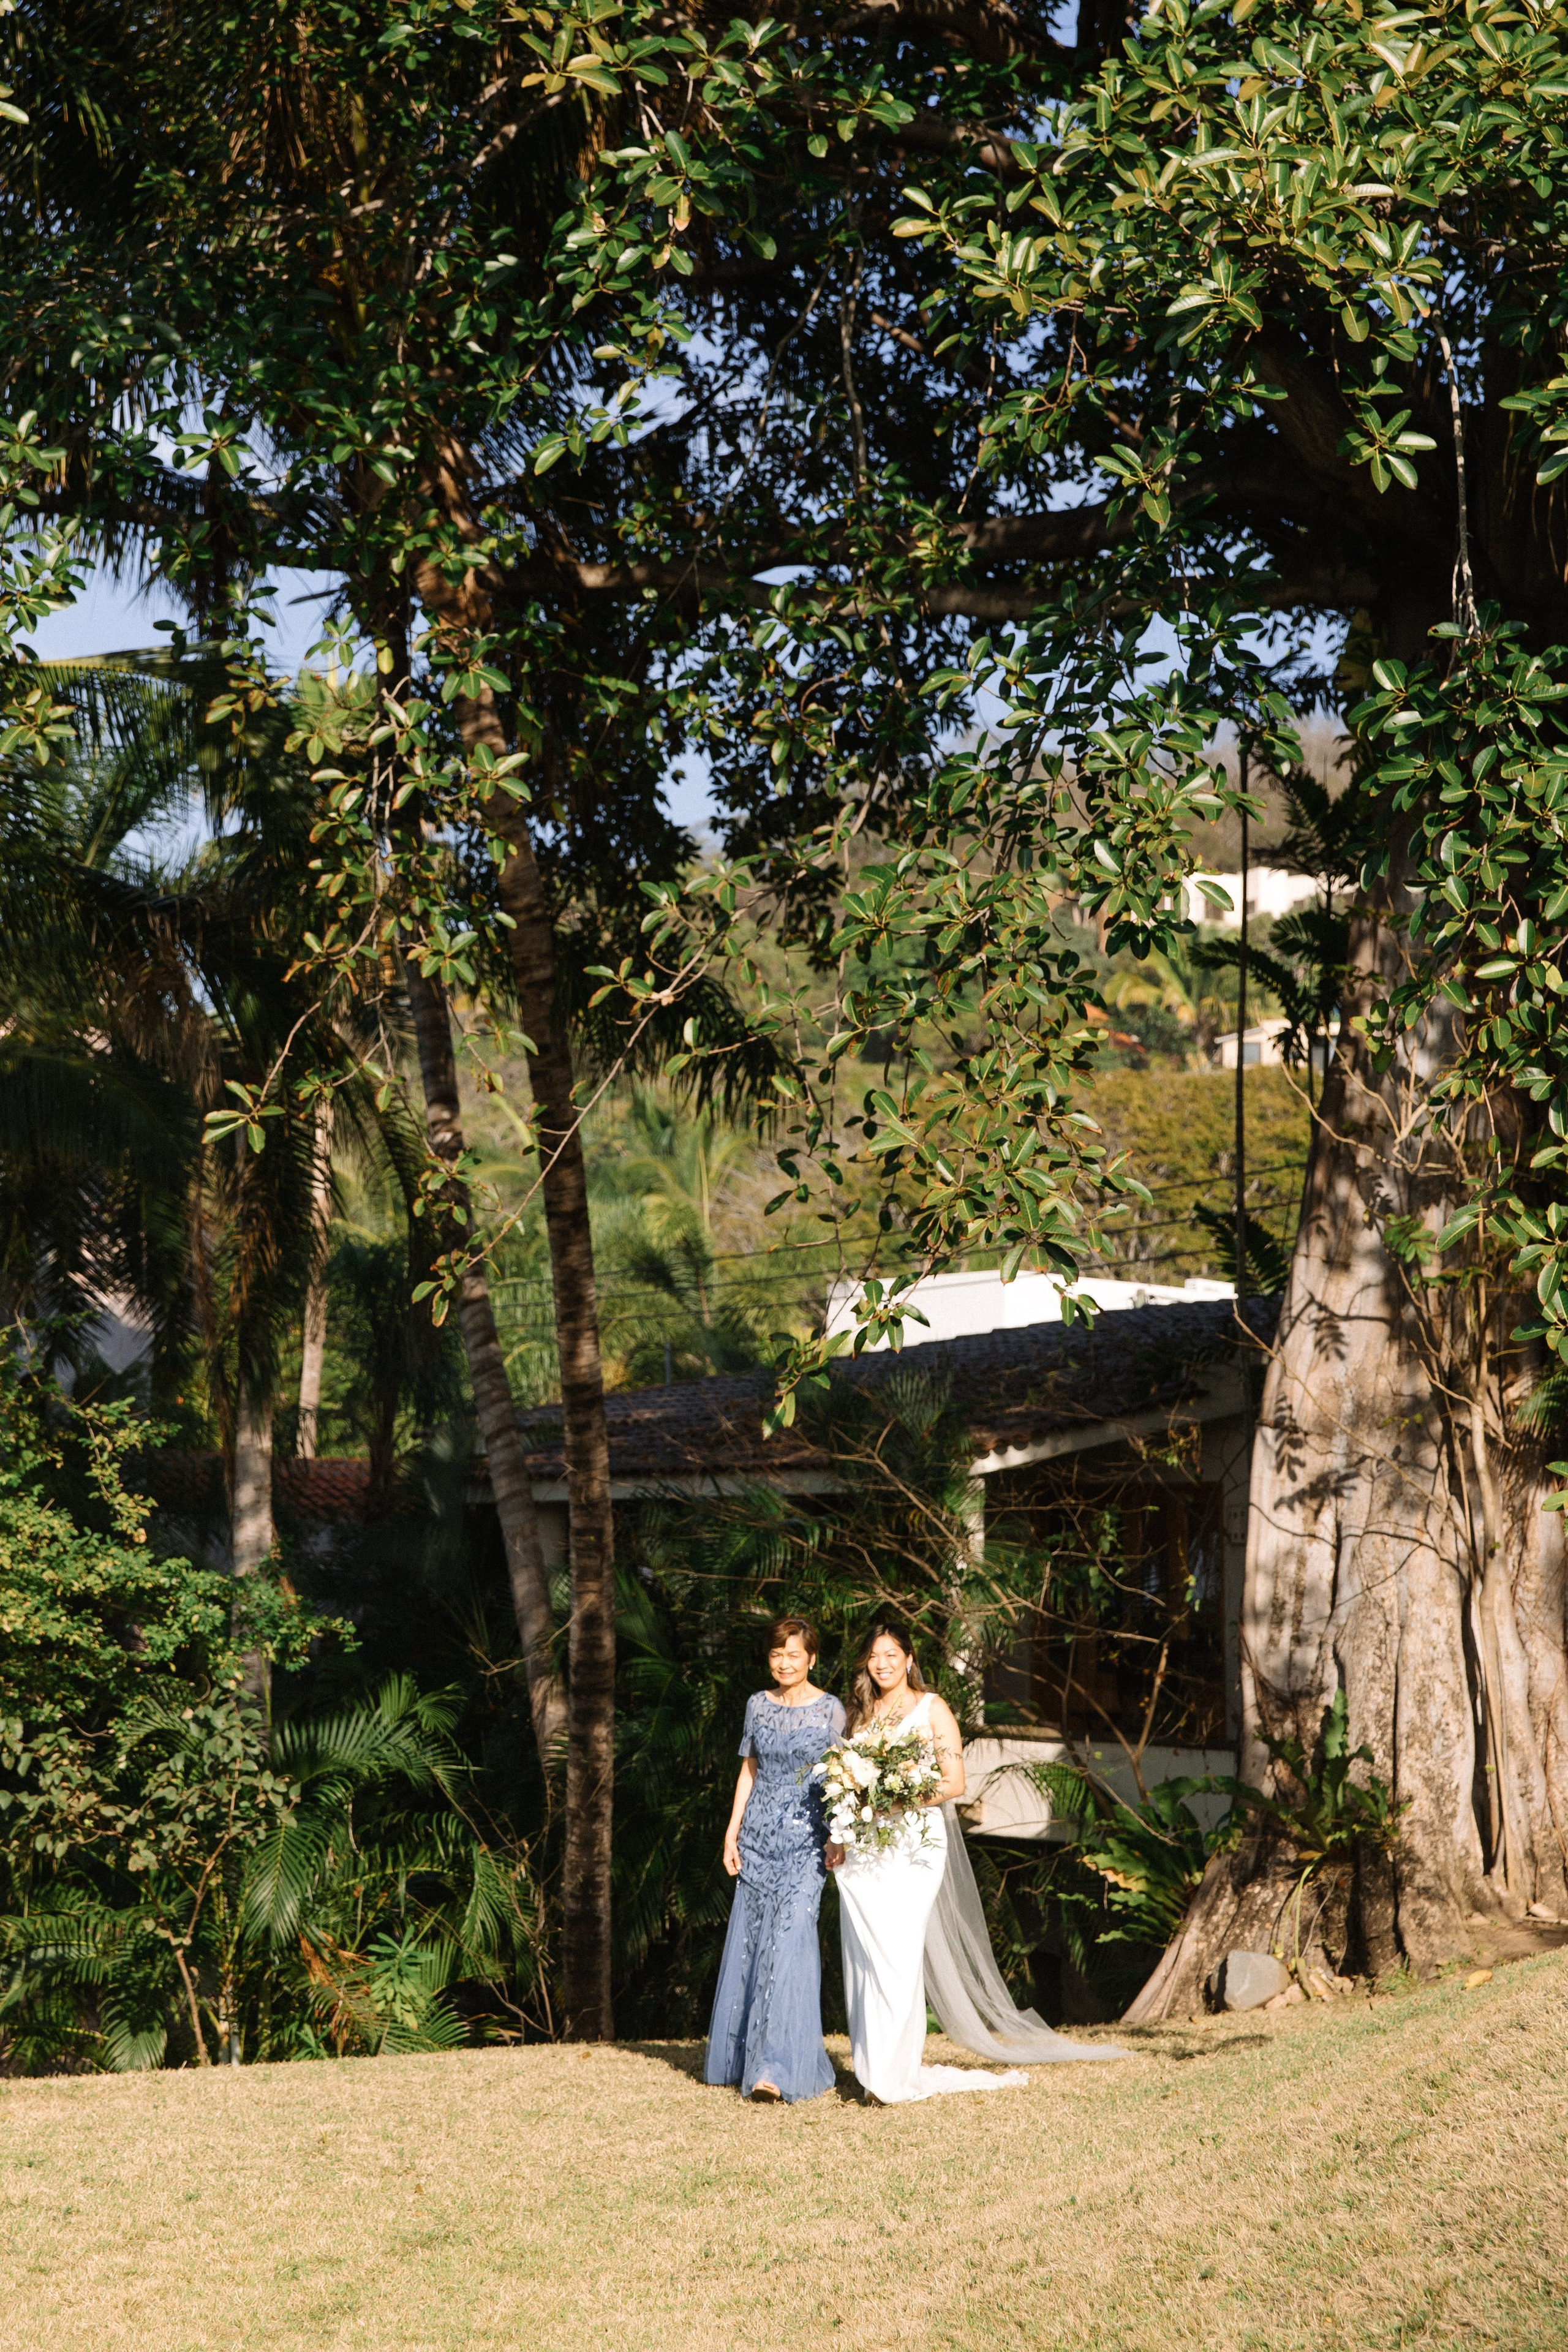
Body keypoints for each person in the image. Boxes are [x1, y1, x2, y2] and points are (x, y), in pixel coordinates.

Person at [829, 1621, 1125, 2104]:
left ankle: (891, 2076)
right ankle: (871, 2067)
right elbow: (846, 1781)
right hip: (865, 1849)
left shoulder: (932, 1708)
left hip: (915, 1846)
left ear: (909, 1658)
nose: (881, 1663)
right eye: (873, 1655)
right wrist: (843, 1829)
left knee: (899, 1956)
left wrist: (895, 1801)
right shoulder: (859, 1715)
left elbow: (954, 1783)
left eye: (890, 1654)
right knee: (864, 1955)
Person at [703, 1615, 846, 2102]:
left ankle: (775, 2070)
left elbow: (840, 1781)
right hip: (758, 1841)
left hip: (807, 1844)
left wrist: (838, 1835)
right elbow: (749, 1770)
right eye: (776, 1654)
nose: (784, 1663)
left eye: (793, 1654)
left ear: (811, 1658)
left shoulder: (831, 1710)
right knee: (752, 1946)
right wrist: (731, 1832)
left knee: (789, 1948)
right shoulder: (756, 1706)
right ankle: (743, 2059)